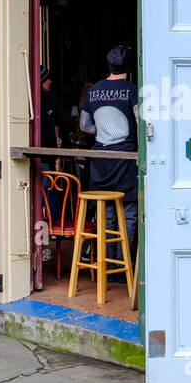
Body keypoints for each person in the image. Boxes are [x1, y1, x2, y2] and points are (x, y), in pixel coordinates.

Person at [80, 44, 139, 263]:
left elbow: (84, 125)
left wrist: (102, 130)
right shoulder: (132, 91)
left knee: (107, 214)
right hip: (125, 160)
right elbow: (138, 123)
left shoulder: (94, 91)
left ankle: (106, 263)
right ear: (129, 66)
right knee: (129, 214)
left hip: (101, 161)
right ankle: (124, 266)